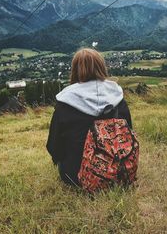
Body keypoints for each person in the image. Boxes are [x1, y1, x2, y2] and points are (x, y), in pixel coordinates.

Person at [46, 48, 132, 186]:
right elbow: (128, 133)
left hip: (75, 175)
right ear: (101, 66)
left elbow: (54, 146)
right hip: (117, 171)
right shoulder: (117, 97)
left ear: (75, 69)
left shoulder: (65, 102)